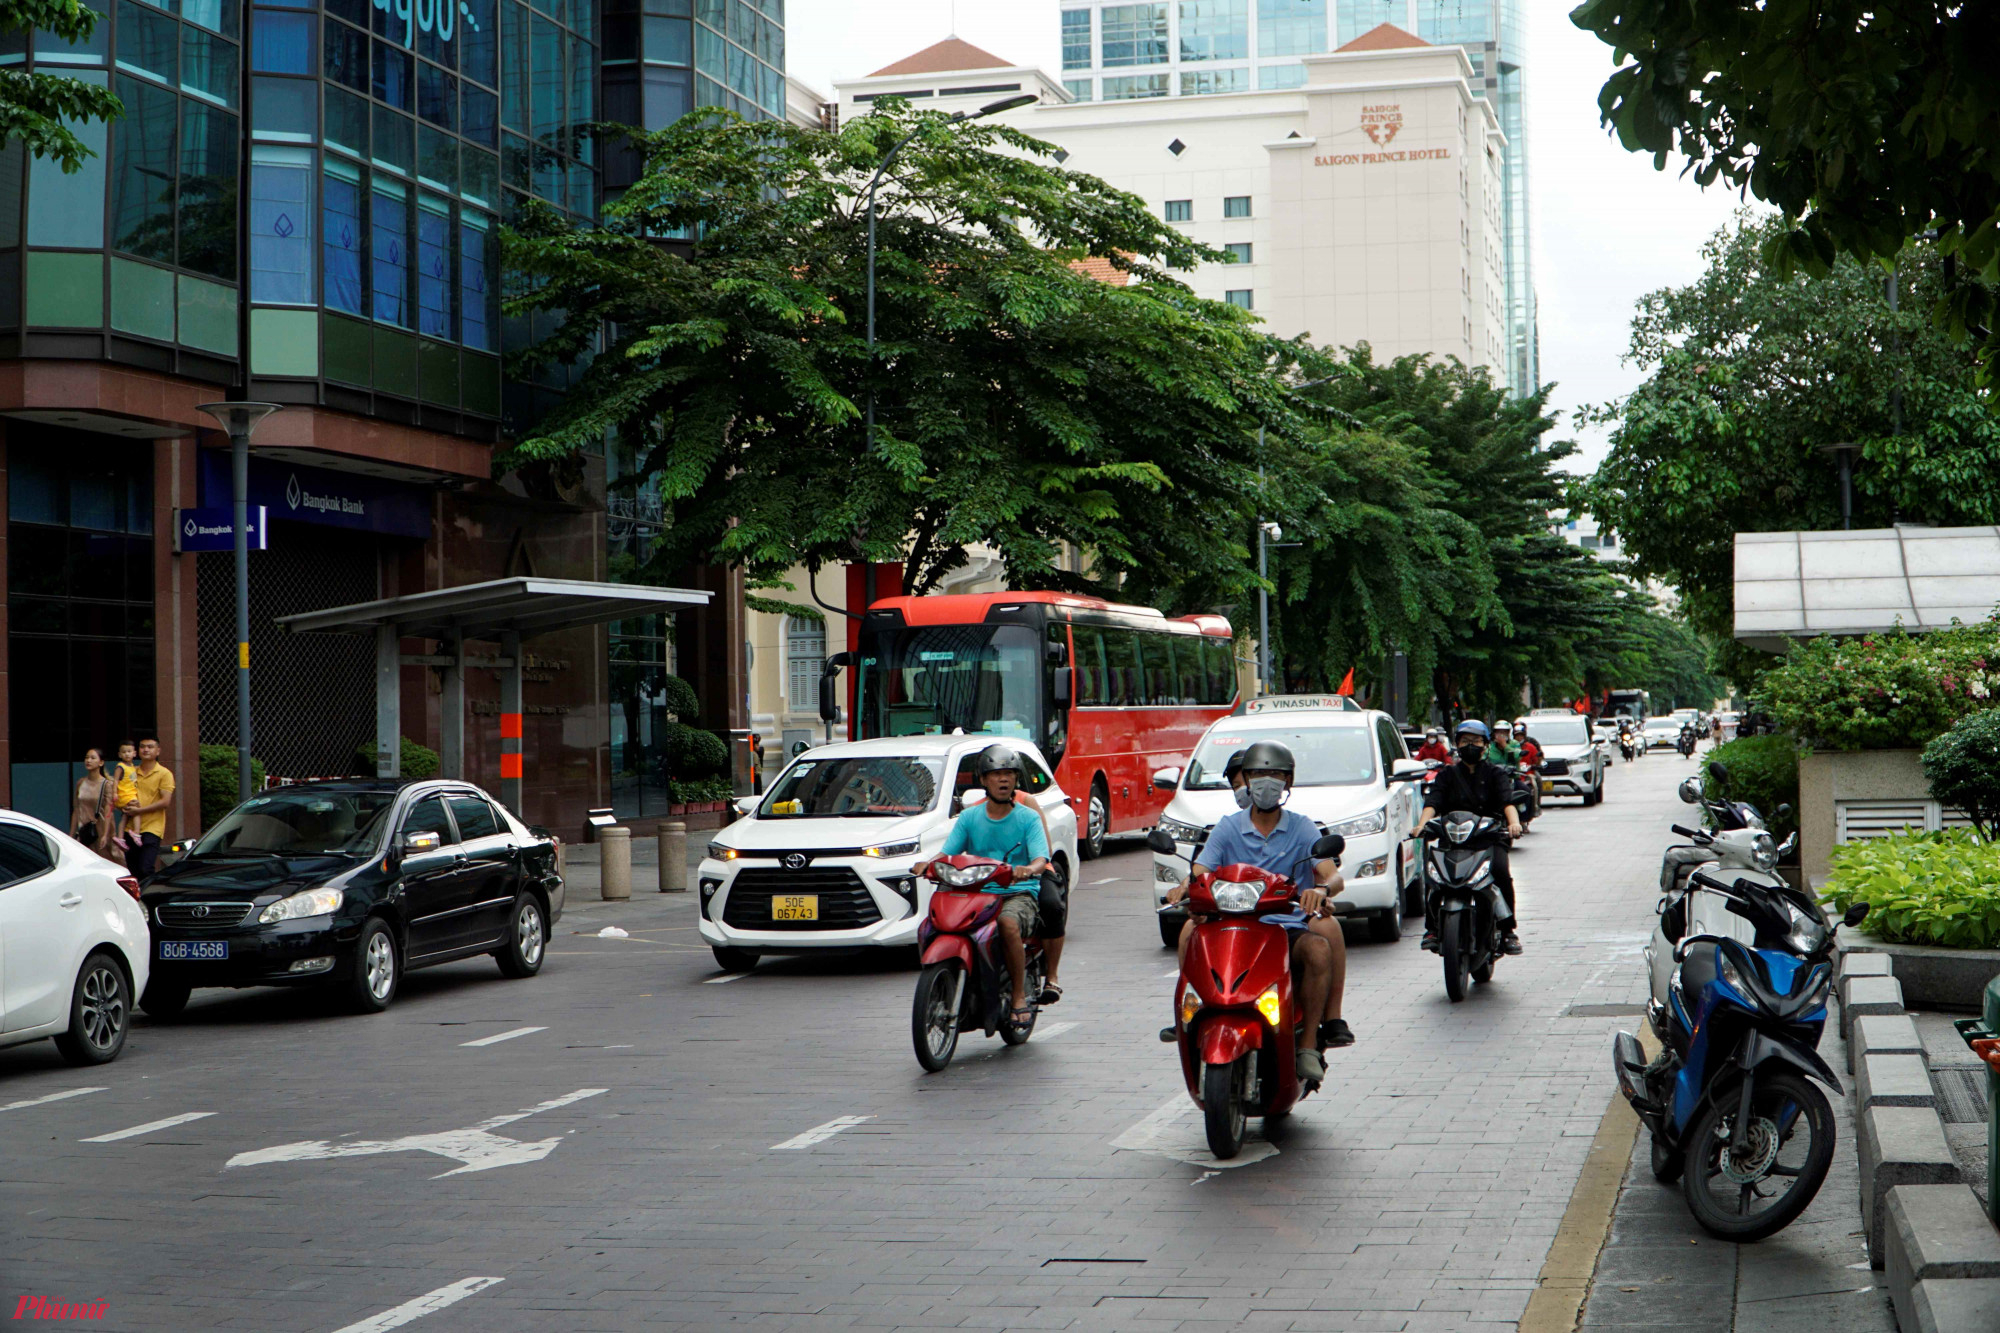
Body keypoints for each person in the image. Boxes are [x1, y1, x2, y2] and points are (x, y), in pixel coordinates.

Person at [1162, 740, 1351, 1085]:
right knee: (1189, 932)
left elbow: (1332, 875)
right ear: (1245, 780)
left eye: (1276, 774)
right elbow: (1200, 870)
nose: (1267, 781)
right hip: (1230, 924)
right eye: (1259, 774)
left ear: (1288, 783)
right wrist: (1184, 888)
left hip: (1284, 927)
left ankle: (1308, 1045)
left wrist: (1320, 890)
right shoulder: (1228, 826)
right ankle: (1189, 1015)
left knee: (1319, 949)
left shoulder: (1302, 827)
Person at [930, 744, 1049, 1025]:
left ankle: (1018, 995)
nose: (1003, 780)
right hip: (975, 892)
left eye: (1009, 774)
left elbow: (1041, 860)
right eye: (996, 774)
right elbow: (948, 852)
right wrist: (929, 864)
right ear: (983, 780)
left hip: (1017, 893)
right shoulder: (970, 817)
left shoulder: (1028, 817)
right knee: (937, 922)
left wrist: (1027, 870)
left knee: (1007, 924)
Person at [1419, 720, 1523, 955]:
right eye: (1465, 741)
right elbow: (1433, 802)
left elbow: (1507, 803)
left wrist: (1514, 823)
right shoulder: (1447, 775)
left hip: (1488, 839)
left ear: (1485, 745)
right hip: (1452, 840)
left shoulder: (1495, 774)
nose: (1471, 746)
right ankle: (1432, 929)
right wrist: (1421, 825)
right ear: (1457, 745)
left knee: (1501, 873)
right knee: (1434, 878)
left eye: (1476, 741)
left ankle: (1508, 931)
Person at [122, 736, 176, 880]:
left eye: (150, 747)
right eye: (142, 746)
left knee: (146, 868)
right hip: (131, 828)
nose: (146, 749)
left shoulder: (164, 774)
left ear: (158, 751)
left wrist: (139, 811)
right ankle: (136, 901)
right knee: (132, 869)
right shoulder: (132, 771)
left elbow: (165, 802)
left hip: (153, 828)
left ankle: (148, 899)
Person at [69, 748, 116, 856]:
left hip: (100, 830)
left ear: (101, 762)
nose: (88, 760)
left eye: (92, 758)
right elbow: (76, 810)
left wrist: (105, 834)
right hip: (84, 831)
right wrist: (71, 835)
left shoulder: (106, 784)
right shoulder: (80, 783)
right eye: (86, 758)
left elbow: (108, 811)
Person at [1513, 721, 1544, 823]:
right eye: (1517, 736)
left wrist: (1539, 759)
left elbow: (1537, 760)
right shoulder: (1510, 746)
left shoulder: (1531, 746)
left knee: (1536, 782)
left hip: (1528, 774)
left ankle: (1535, 806)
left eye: (1521, 736)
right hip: (1514, 774)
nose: (1519, 738)